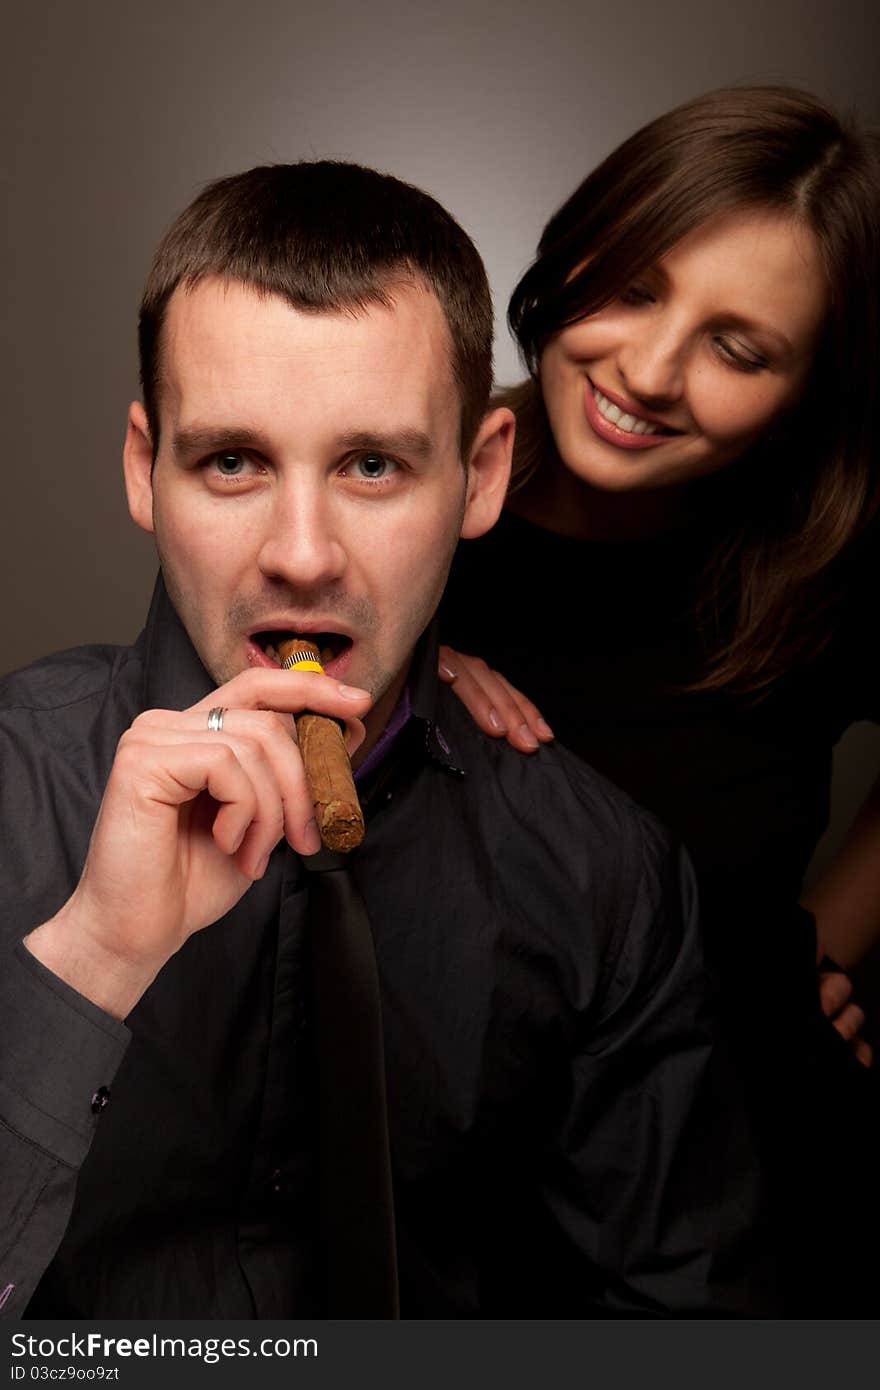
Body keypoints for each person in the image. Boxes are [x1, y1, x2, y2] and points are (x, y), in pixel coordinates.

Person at [0, 161, 763, 1320]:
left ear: (480, 474)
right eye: (232, 461)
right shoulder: (9, 787)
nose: (302, 553)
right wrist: (93, 959)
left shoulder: (604, 879)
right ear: (142, 471)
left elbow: (687, 1317)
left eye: (371, 466)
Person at [437, 86, 880, 1314]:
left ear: (806, 389)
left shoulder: (824, 557)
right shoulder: (400, 490)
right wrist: (390, 669)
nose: (647, 369)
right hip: (460, 1221)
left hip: (754, 1208)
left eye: (738, 349)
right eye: (633, 286)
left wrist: (819, 945)